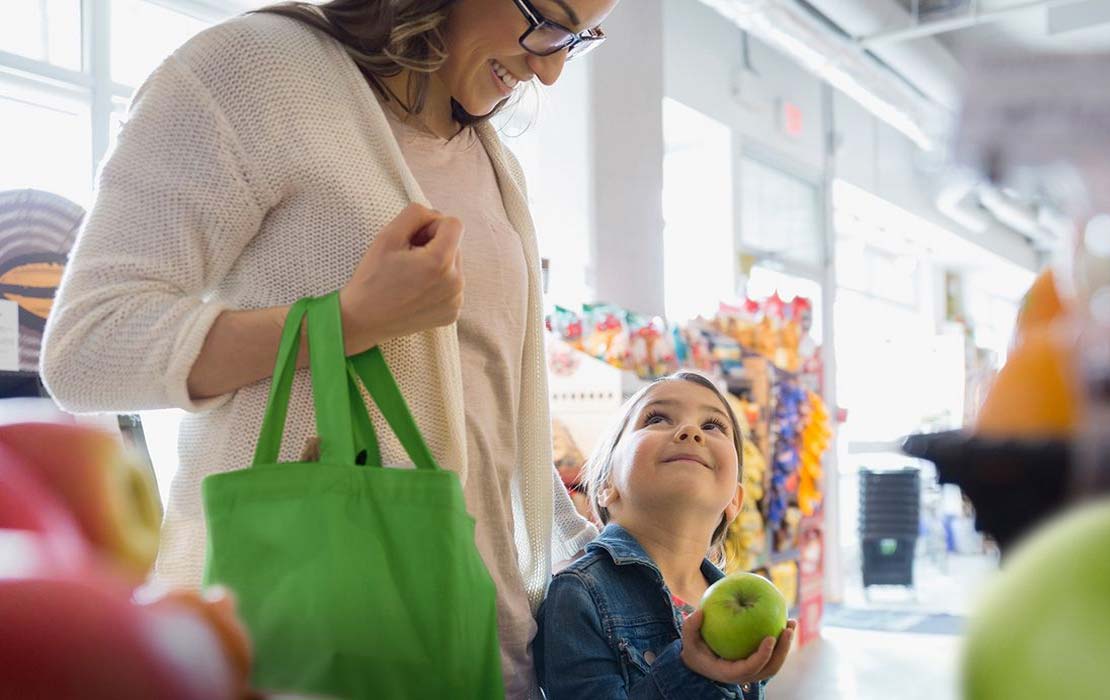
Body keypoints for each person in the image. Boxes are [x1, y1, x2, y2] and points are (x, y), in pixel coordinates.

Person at [40, 1, 619, 696]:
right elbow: (86, 346)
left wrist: (623, 575)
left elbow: (493, 424)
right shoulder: (252, 73)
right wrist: (345, 323)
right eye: (548, 20)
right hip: (309, 651)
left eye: (577, 37)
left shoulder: (496, 166)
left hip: (491, 652)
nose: (551, 69)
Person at [535, 371, 797, 698]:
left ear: (734, 499)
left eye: (712, 426)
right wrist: (690, 670)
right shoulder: (578, 594)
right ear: (605, 486)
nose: (690, 431)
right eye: (657, 418)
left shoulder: (732, 598)